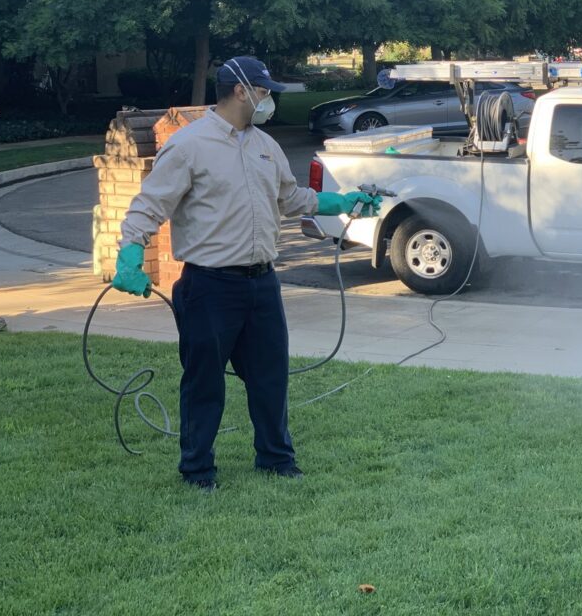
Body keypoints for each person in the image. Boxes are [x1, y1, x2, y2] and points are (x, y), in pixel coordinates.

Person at [111, 56, 380, 491]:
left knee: (270, 378)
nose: (268, 99)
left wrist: (341, 202)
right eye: (264, 91)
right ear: (240, 91)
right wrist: (129, 257)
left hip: (262, 282)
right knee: (204, 384)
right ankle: (197, 470)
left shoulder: (263, 145)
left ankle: (276, 459)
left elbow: (290, 198)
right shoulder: (189, 146)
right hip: (209, 286)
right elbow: (149, 206)